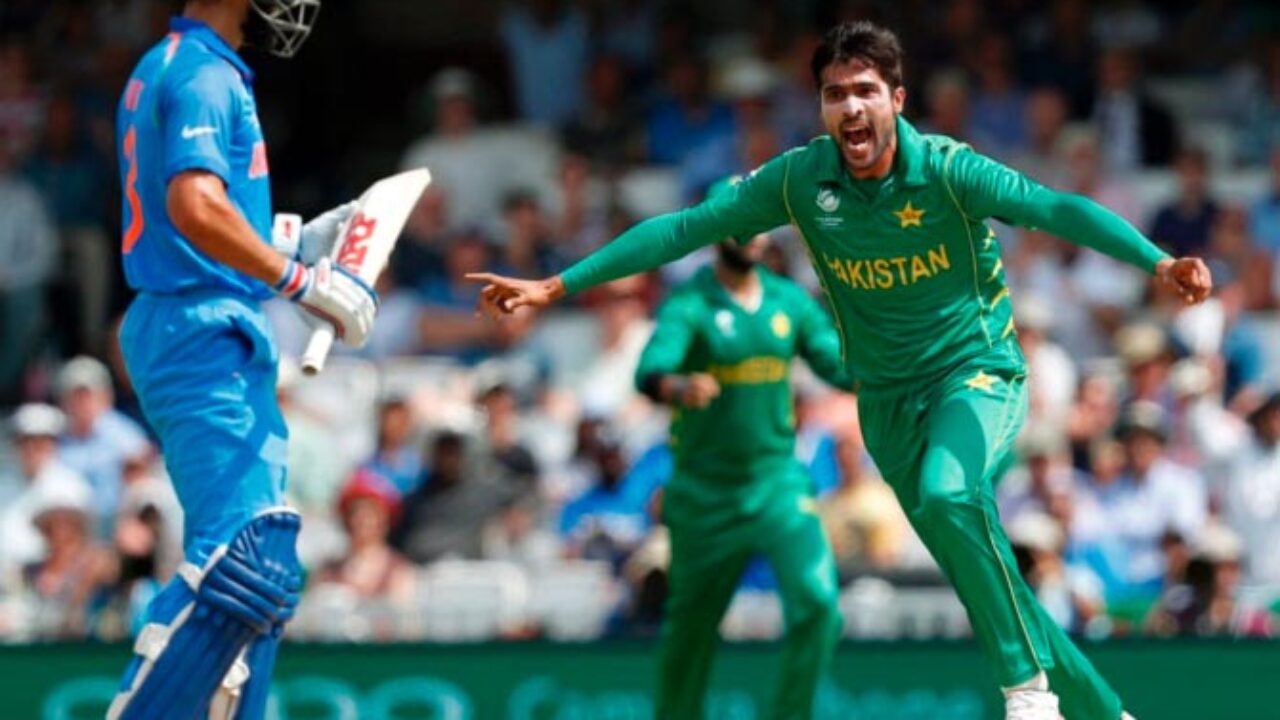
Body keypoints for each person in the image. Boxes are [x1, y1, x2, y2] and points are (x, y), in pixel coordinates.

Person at [468, 21, 1213, 720]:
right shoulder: (801, 181)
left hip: (974, 375)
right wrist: (557, 285)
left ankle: (1026, 692)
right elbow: (685, 229)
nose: (850, 107)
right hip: (886, 404)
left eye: (864, 91)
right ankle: (1106, 711)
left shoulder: (950, 171)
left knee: (951, 491)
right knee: (993, 581)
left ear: (897, 99)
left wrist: (1156, 259)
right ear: (823, 107)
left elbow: (1056, 208)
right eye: (834, 93)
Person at [107, 1, 378, 718]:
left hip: (199, 317)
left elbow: (198, 216)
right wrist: (298, 281)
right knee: (243, 565)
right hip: (200, 325)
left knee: (258, 579)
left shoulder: (177, 65)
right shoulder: (203, 75)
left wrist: (284, 241)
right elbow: (194, 205)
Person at [627, 185, 849, 718]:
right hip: (706, 491)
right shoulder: (689, 304)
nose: (750, 233)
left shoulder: (788, 300)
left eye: (759, 221)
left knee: (819, 603)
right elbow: (651, 369)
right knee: (691, 633)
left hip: (776, 482)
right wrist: (677, 387)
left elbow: (836, 364)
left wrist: (885, 370)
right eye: (738, 221)